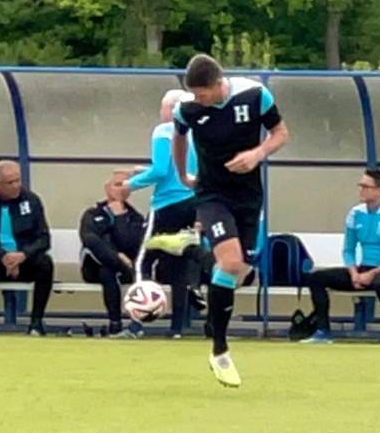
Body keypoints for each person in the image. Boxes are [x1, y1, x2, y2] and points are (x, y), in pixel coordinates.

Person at [172, 53, 289, 388]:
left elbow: (280, 132)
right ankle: (220, 350)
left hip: (248, 198)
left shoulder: (254, 95)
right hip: (212, 195)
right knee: (231, 260)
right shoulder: (187, 109)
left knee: (237, 271)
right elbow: (178, 136)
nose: (198, 99)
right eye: (193, 94)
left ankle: (198, 259)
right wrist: (182, 175)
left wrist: (257, 154)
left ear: (217, 84)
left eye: (202, 94)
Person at [114, 89, 204, 338]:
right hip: (192, 202)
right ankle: (177, 328)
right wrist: (143, 169)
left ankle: (137, 323)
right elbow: (181, 167)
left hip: (167, 204)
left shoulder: (164, 130)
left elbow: (161, 171)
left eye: (163, 107)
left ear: (172, 109)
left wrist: (130, 184)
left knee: (143, 261)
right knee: (180, 263)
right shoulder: (197, 132)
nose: (161, 112)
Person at [300, 169, 380, 345]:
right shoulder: (355, 213)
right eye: (360, 186)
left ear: (379, 191)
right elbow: (348, 250)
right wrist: (354, 273)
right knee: (316, 278)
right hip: (363, 268)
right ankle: (323, 331)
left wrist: (372, 274)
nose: (361, 190)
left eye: (366, 186)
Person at [0, 161, 54, 336]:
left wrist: (23, 255)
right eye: (10, 182)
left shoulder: (31, 200)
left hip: (24, 262)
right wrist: (2, 255)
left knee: (45, 264)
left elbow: (43, 239)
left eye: (18, 180)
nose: (16, 186)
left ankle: (36, 323)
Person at [79, 178, 146, 337]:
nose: (122, 188)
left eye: (126, 185)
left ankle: (120, 325)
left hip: (126, 270)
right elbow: (91, 240)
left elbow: (130, 243)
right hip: (94, 267)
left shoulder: (136, 218)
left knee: (109, 272)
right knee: (106, 269)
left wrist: (120, 216)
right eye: (117, 185)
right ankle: (115, 323)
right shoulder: (92, 214)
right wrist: (116, 256)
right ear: (107, 188)